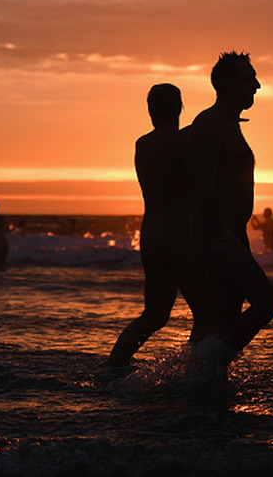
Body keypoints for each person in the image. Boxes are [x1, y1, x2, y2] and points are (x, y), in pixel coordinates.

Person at [106, 84, 214, 368]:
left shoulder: (142, 144)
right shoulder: (184, 142)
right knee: (207, 315)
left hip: (151, 235)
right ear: (180, 107)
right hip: (179, 236)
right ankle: (189, 371)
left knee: (154, 315)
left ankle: (113, 365)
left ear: (150, 110)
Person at [184, 51, 273, 361]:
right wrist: (217, 236)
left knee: (223, 318)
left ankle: (201, 383)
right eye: (249, 78)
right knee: (266, 303)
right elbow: (202, 186)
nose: (257, 85)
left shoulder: (228, 123)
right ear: (226, 83)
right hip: (217, 232)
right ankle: (208, 367)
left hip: (231, 232)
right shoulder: (212, 123)